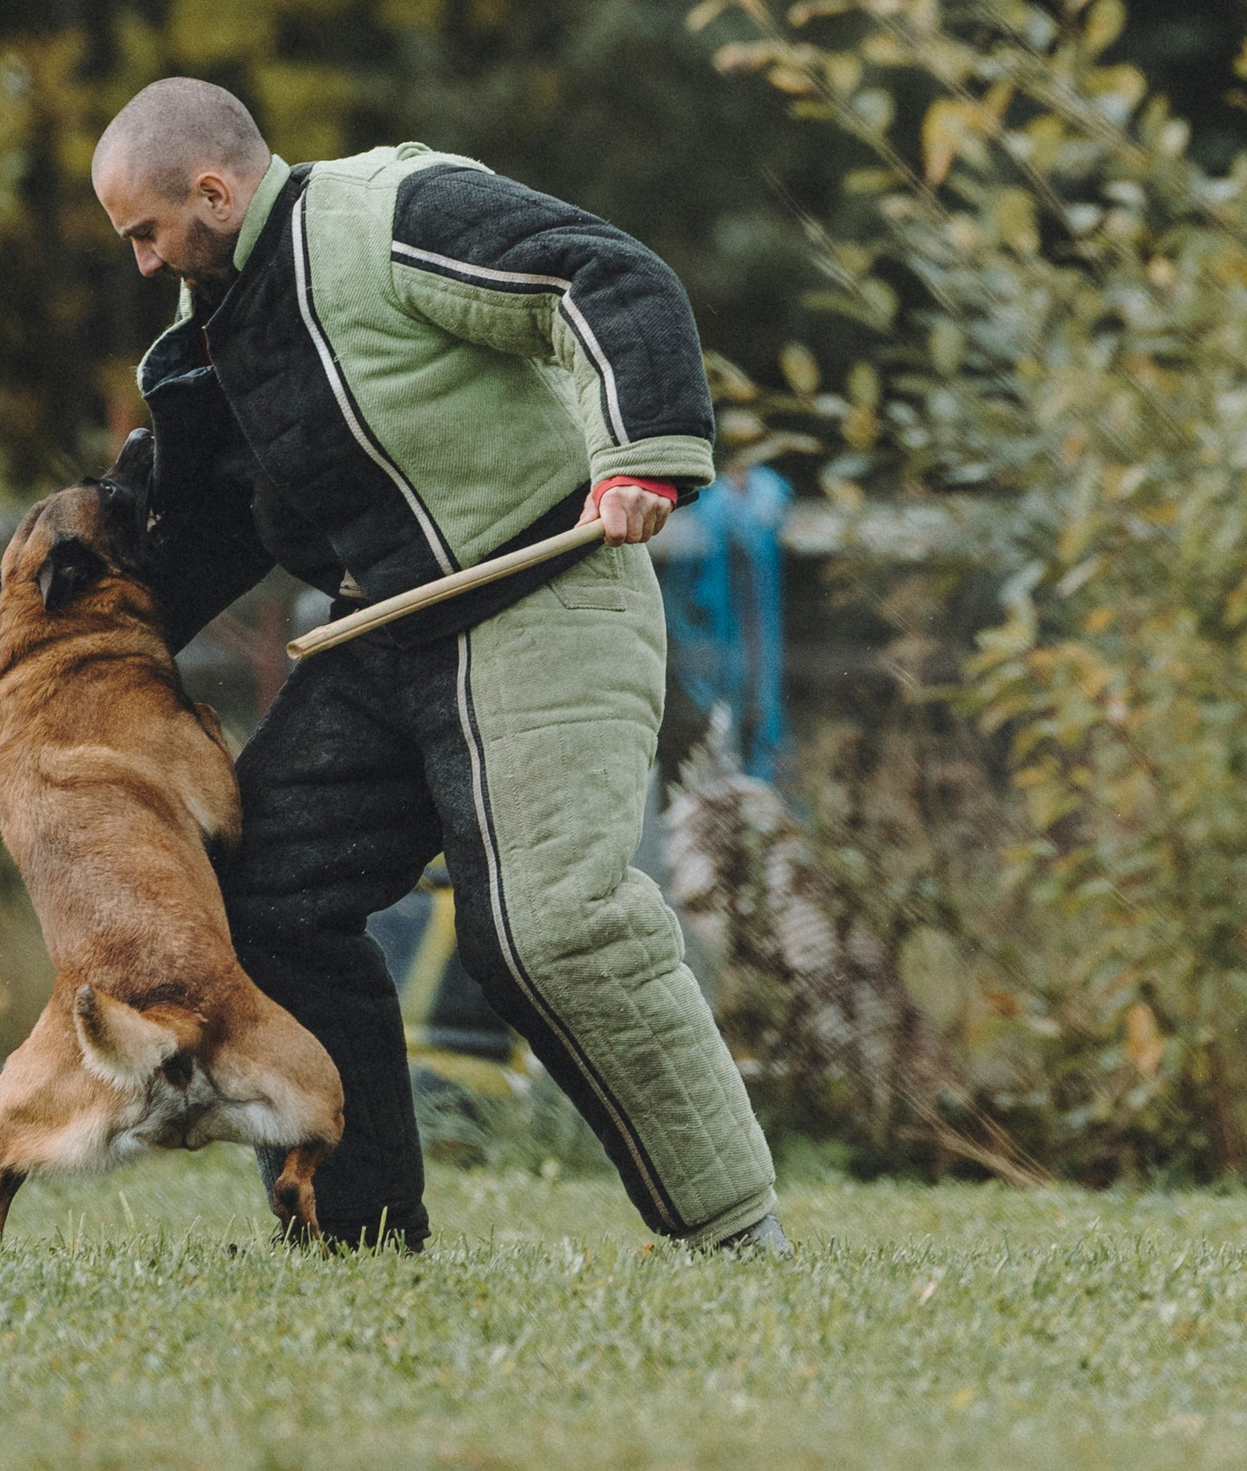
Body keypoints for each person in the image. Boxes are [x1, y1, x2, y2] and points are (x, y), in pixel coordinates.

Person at [91, 77, 786, 1253]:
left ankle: (734, 1231)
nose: (145, 265)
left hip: (545, 591)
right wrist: (65, 633)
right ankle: (352, 1235)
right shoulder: (204, 340)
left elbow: (602, 275)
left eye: (145, 234)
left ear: (212, 189)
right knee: (268, 900)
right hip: (383, 634)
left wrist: (638, 456)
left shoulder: (387, 215)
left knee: (546, 931)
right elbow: (196, 525)